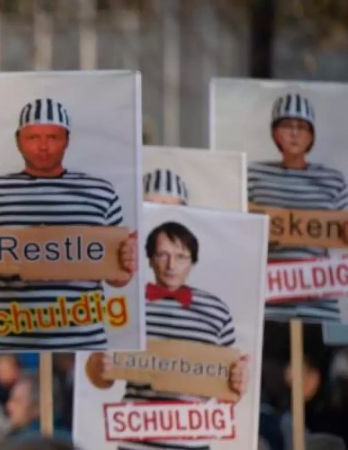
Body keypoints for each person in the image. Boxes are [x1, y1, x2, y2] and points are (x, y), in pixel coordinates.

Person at [0, 98, 136, 350]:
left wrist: (127, 263)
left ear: (67, 140)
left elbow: (118, 279)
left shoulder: (101, 193)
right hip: (13, 345)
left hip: (83, 343)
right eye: (33, 137)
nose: (43, 147)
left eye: (53, 137)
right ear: (18, 140)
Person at [101, 221, 246, 450]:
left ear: (192, 262)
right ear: (149, 259)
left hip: (191, 442)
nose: (171, 265)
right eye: (162, 255)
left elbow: (228, 391)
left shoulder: (217, 312)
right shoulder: (129, 306)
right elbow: (100, 374)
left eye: (181, 257)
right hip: (135, 443)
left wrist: (238, 383)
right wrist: (101, 365)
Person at [248, 93, 347, 322]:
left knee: (317, 356)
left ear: (312, 135)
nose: (294, 133)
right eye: (286, 125)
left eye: (302, 127)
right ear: (275, 132)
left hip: (319, 303)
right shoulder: (254, 176)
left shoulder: (333, 180)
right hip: (269, 302)